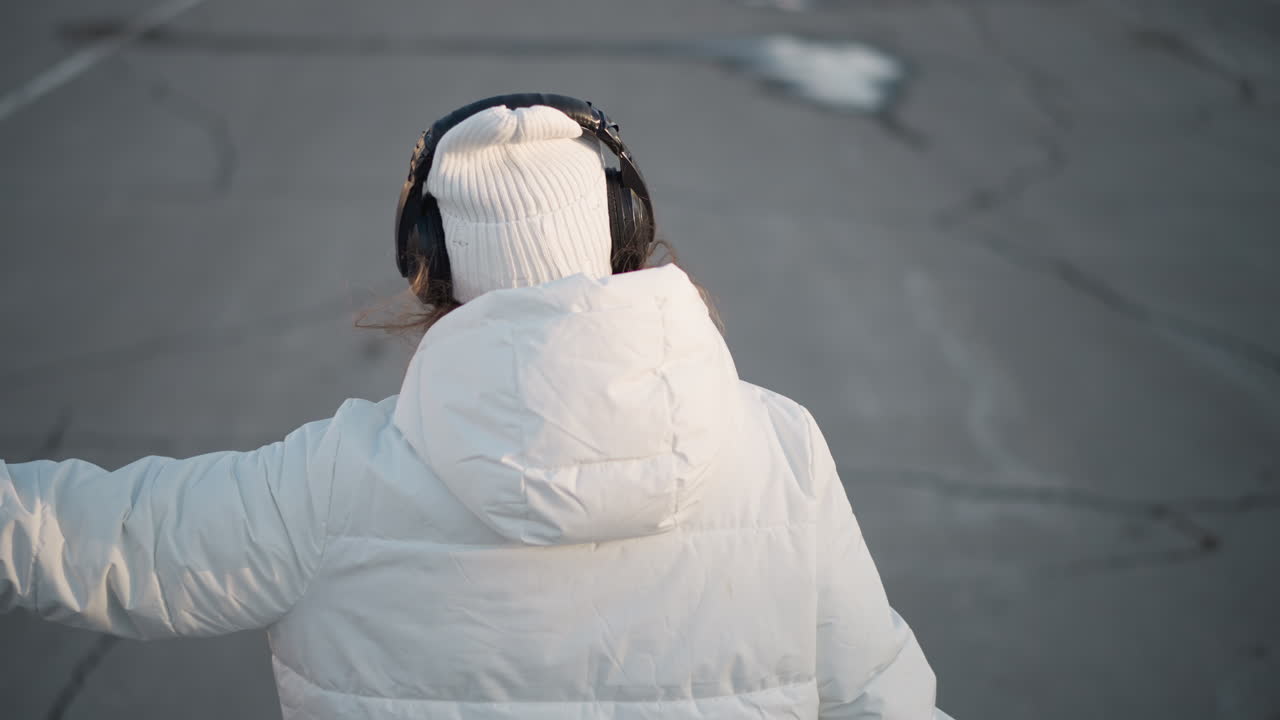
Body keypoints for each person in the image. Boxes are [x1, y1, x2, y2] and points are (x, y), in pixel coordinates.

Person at [0, 94, 952, 719]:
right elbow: (883, 697)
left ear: (431, 268)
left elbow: (84, 541)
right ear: (627, 234)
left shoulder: (333, 486)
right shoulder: (780, 449)